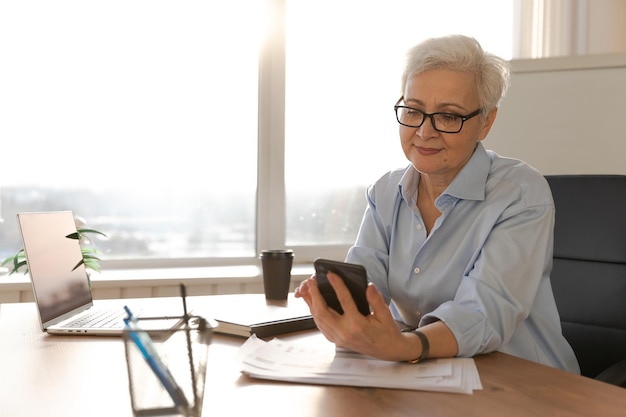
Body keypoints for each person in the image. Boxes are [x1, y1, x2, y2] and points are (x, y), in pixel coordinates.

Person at [295, 34, 580, 373]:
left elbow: (485, 312)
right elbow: (367, 289)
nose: (424, 131)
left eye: (448, 116)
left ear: (485, 122)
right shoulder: (386, 192)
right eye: (413, 111)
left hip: (524, 382)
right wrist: (339, 307)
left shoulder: (520, 193)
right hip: (424, 374)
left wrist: (406, 347)